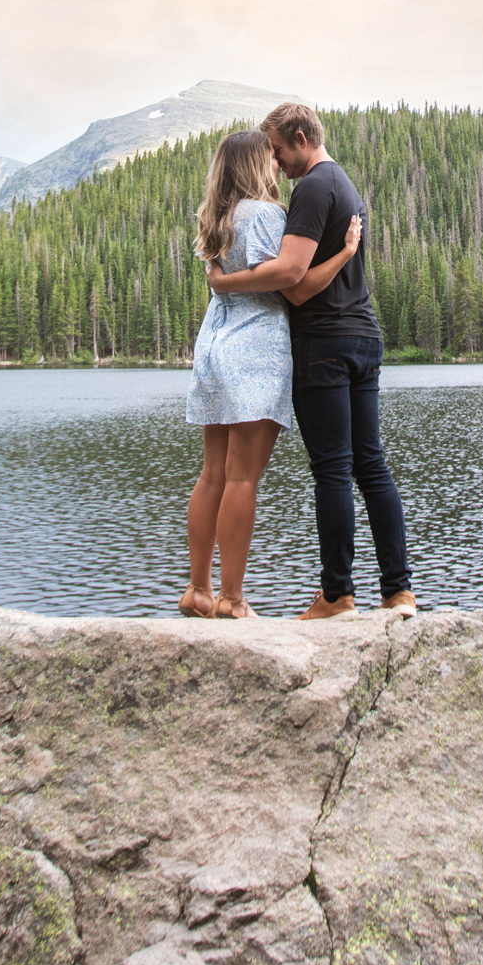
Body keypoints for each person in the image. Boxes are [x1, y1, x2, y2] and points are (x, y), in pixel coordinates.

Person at [205, 103, 415, 620]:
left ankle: (337, 595)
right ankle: (398, 592)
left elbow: (293, 282)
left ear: (300, 137)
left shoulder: (313, 188)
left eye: (276, 148)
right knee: (371, 464)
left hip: (324, 344)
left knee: (333, 471)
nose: (274, 161)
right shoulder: (344, 183)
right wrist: (342, 256)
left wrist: (225, 282)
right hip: (364, 337)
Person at [182, 128, 361, 620]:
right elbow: (289, 279)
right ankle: (233, 600)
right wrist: (344, 253)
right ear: (254, 167)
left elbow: (226, 282)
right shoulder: (265, 215)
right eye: (269, 159)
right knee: (243, 478)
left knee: (212, 473)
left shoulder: (214, 218)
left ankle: (198, 589)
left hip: (214, 344)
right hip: (255, 349)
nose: (277, 167)